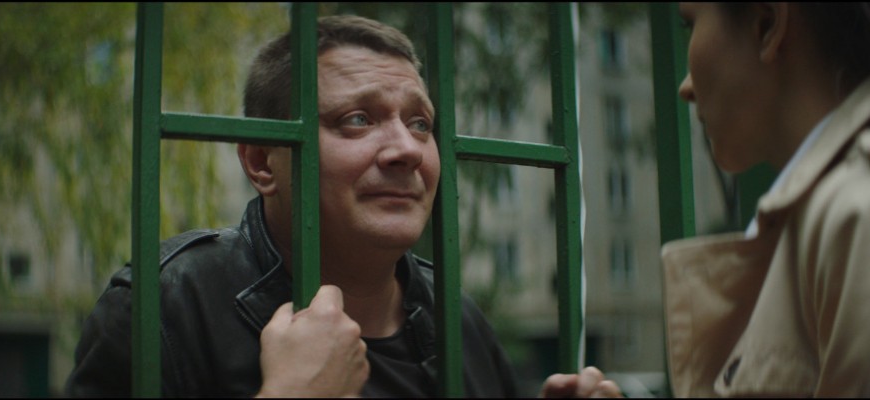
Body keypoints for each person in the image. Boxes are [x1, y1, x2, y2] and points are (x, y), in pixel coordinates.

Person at [65, 14, 621, 398]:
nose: (407, 149)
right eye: (357, 119)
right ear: (261, 162)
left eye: (420, 123)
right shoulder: (163, 308)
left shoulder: (460, 321)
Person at [570, 2, 870, 398]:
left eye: (689, 24)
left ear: (766, 23)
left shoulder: (853, 213)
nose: (686, 87)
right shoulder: (820, 215)